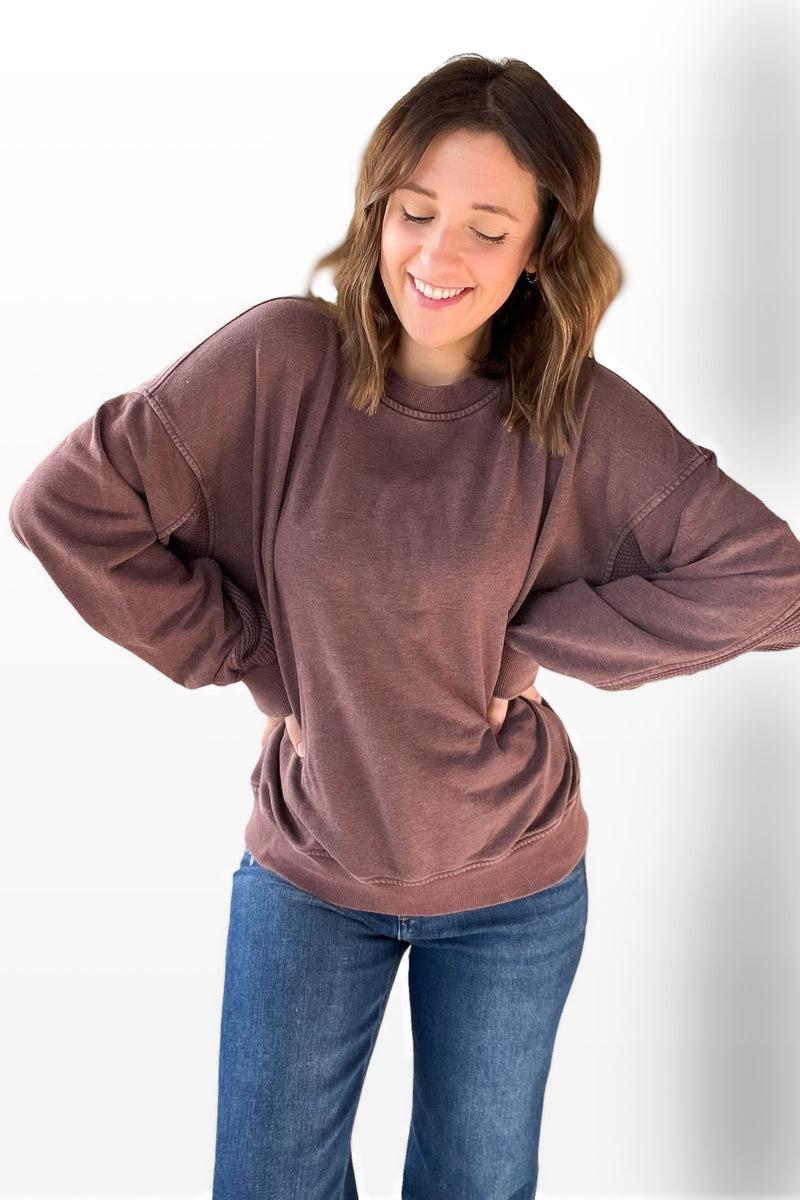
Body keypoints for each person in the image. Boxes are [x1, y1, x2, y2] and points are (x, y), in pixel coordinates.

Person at [8, 51, 800, 1200]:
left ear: (541, 251)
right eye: (415, 212)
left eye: (487, 227)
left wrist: (536, 638)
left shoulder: (576, 417)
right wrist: (246, 651)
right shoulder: (281, 362)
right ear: (375, 211)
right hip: (308, 872)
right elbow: (64, 509)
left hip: (512, 892)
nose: (436, 256)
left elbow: (771, 581)